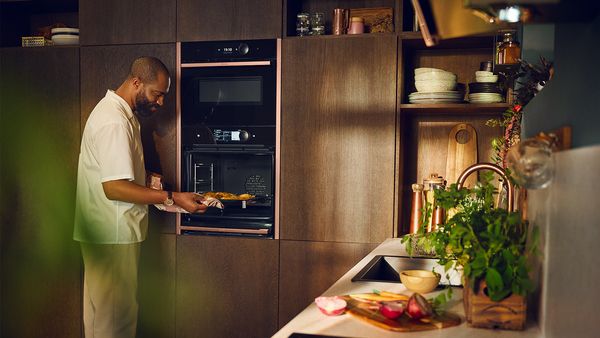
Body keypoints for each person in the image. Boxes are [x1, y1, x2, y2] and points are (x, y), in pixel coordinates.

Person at [73, 56, 206, 338]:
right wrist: (172, 197)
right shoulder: (114, 122)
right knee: (115, 322)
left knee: (103, 319)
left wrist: (149, 182)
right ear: (136, 83)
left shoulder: (119, 115)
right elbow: (114, 188)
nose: (161, 103)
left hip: (109, 233)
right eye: (157, 94)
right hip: (113, 234)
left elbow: (113, 176)